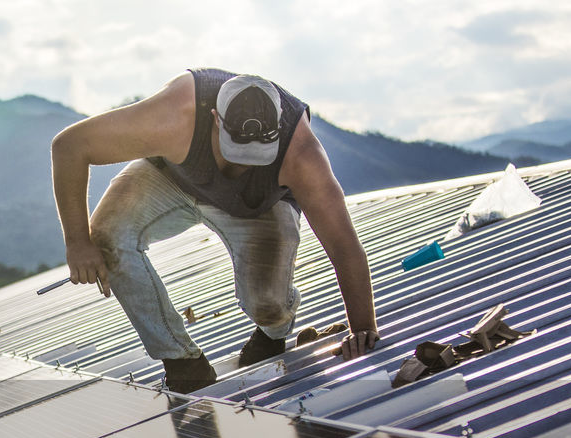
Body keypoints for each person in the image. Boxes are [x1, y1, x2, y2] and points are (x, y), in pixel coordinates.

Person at [51, 68, 379, 393]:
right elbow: (69, 146)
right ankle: (183, 363)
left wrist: (362, 328)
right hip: (172, 180)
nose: (241, 169)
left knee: (267, 302)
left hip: (258, 203)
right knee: (107, 236)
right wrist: (77, 241)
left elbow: (343, 247)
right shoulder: (174, 116)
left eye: (256, 159)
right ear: (215, 119)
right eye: (235, 153)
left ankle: (272, 335)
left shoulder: (302, 155)